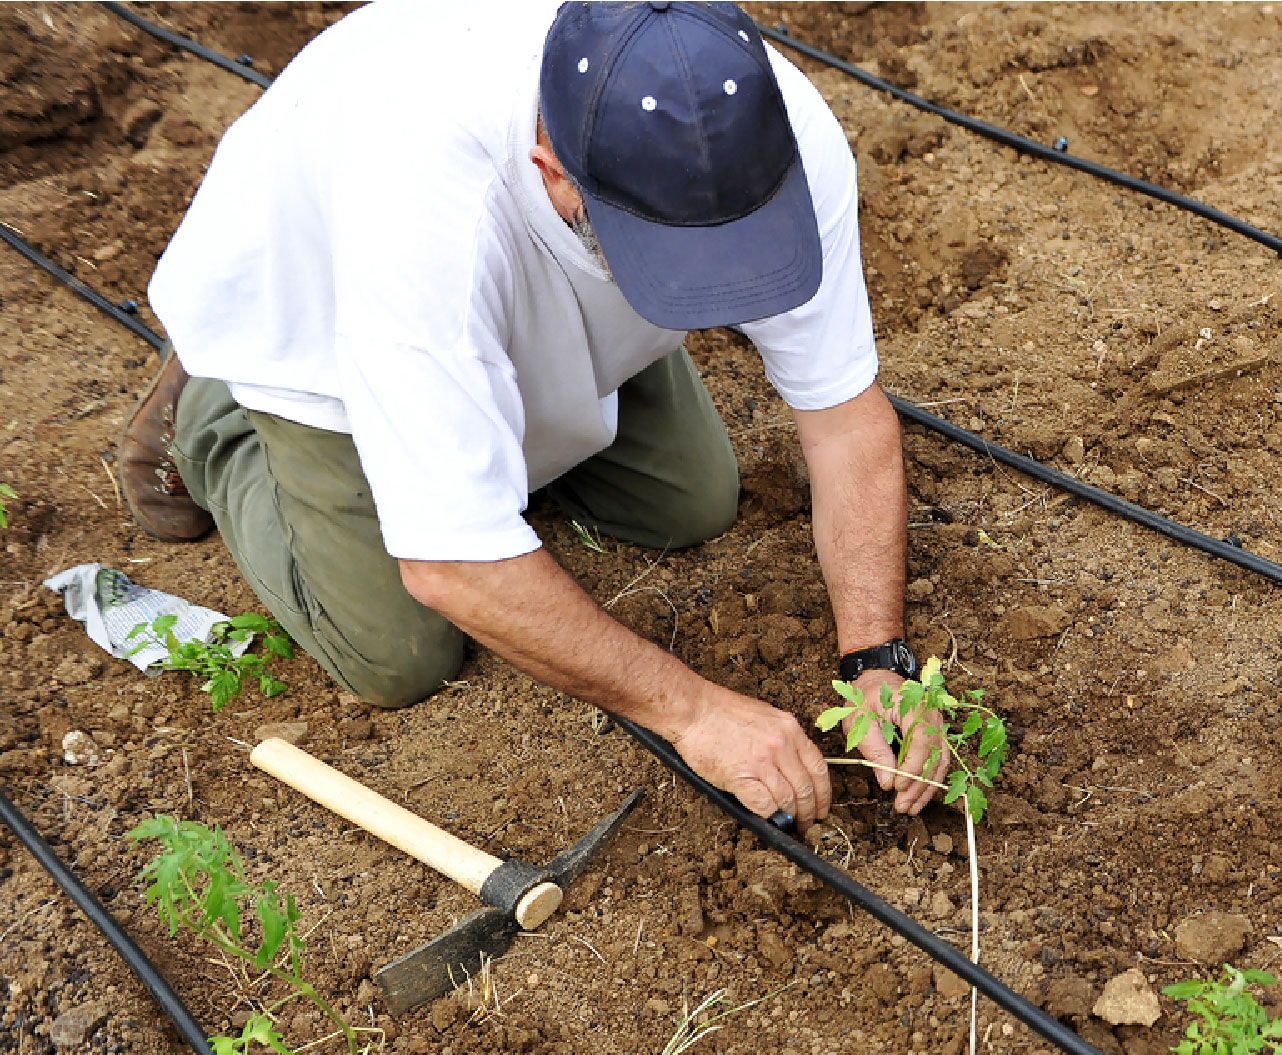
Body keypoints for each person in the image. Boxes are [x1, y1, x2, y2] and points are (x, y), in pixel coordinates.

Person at [118, 0, 941, 831]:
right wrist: (694, 713)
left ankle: (506, 391)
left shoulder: (768, 128)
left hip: (507, 294)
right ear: (550, 168)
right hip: (311, 316)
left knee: (689, 503)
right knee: (400, 655)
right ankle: (210, 410)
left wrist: (879, 661)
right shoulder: (425, 204)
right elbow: (451, 567)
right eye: (670, 253)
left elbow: (844, 418)